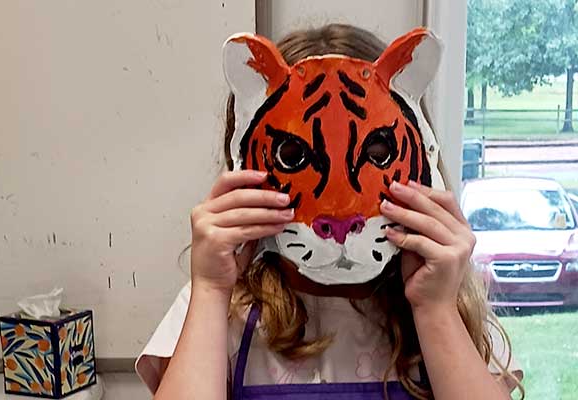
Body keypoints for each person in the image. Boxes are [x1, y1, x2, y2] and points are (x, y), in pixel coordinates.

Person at [136, 24, 524, 400]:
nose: (340, 213)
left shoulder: (449, 308)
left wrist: (437, 310)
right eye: (292, 156)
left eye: (377, 155)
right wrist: (209, 290)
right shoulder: (217, 310)